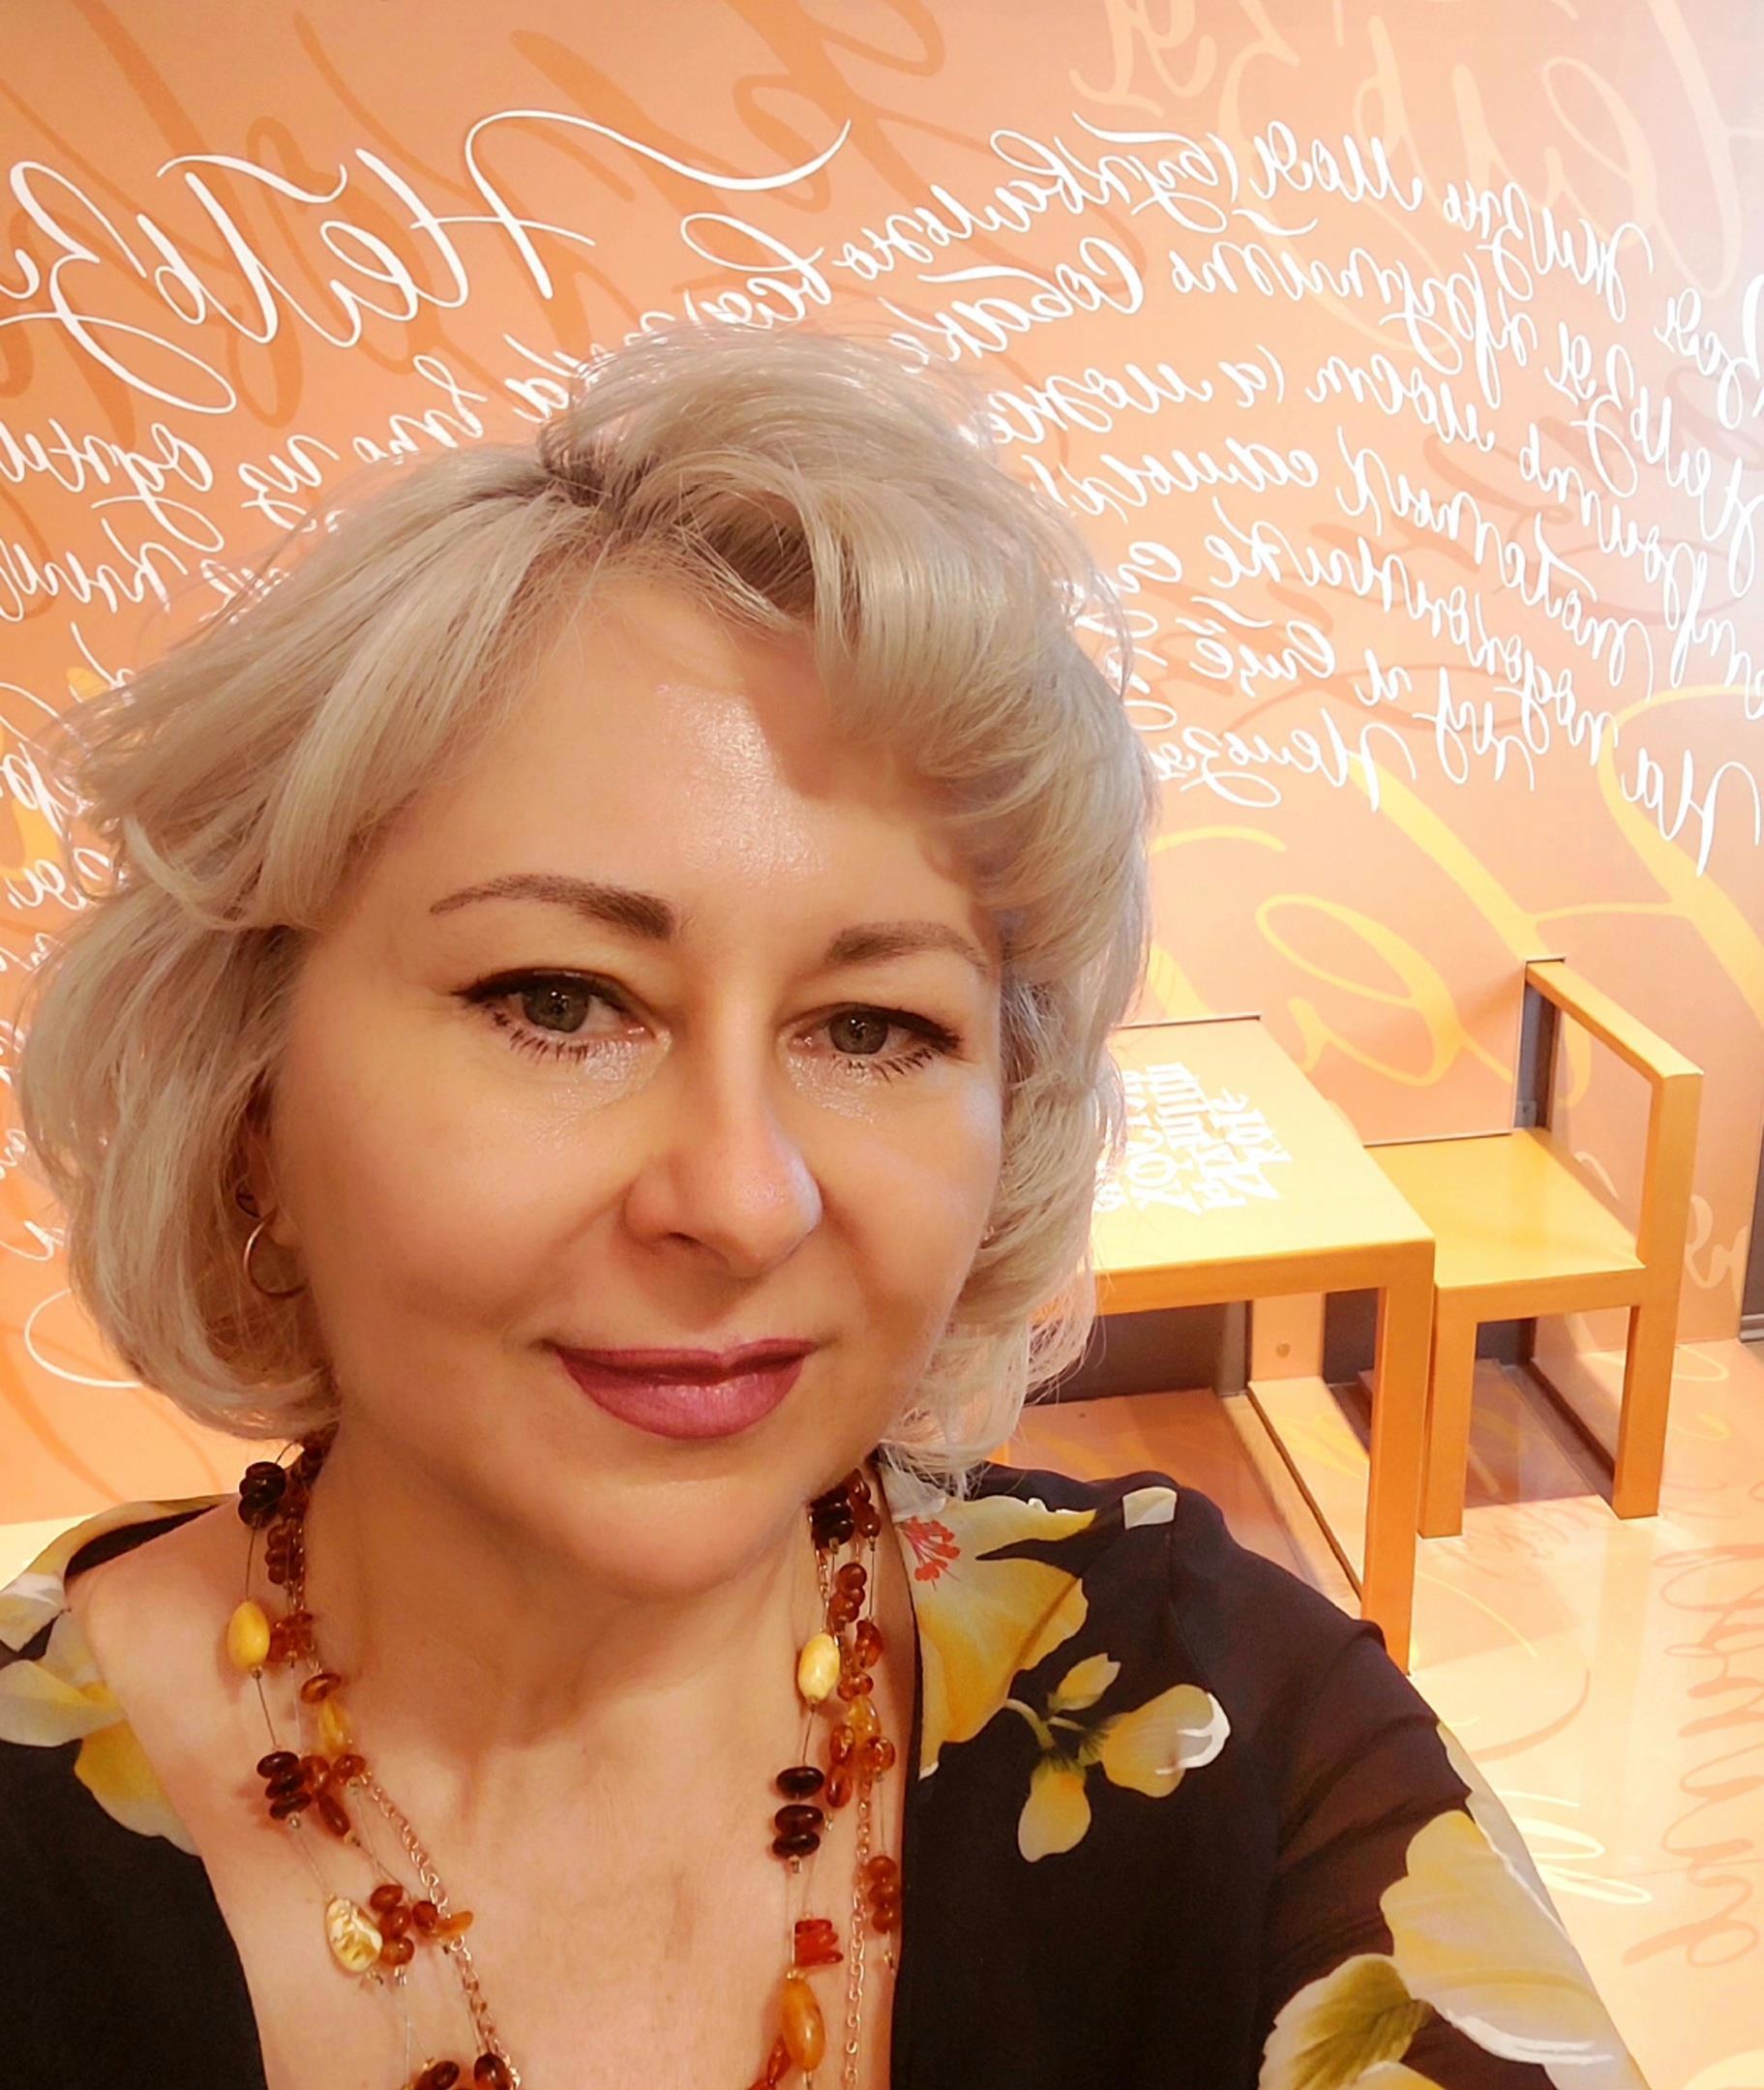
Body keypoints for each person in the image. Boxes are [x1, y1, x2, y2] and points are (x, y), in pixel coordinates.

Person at [0, 325, 1645, 2090]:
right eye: (559, 1000)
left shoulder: (1219, 1727)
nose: (742, 1200)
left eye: (873, 1027)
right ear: (250, 1091)